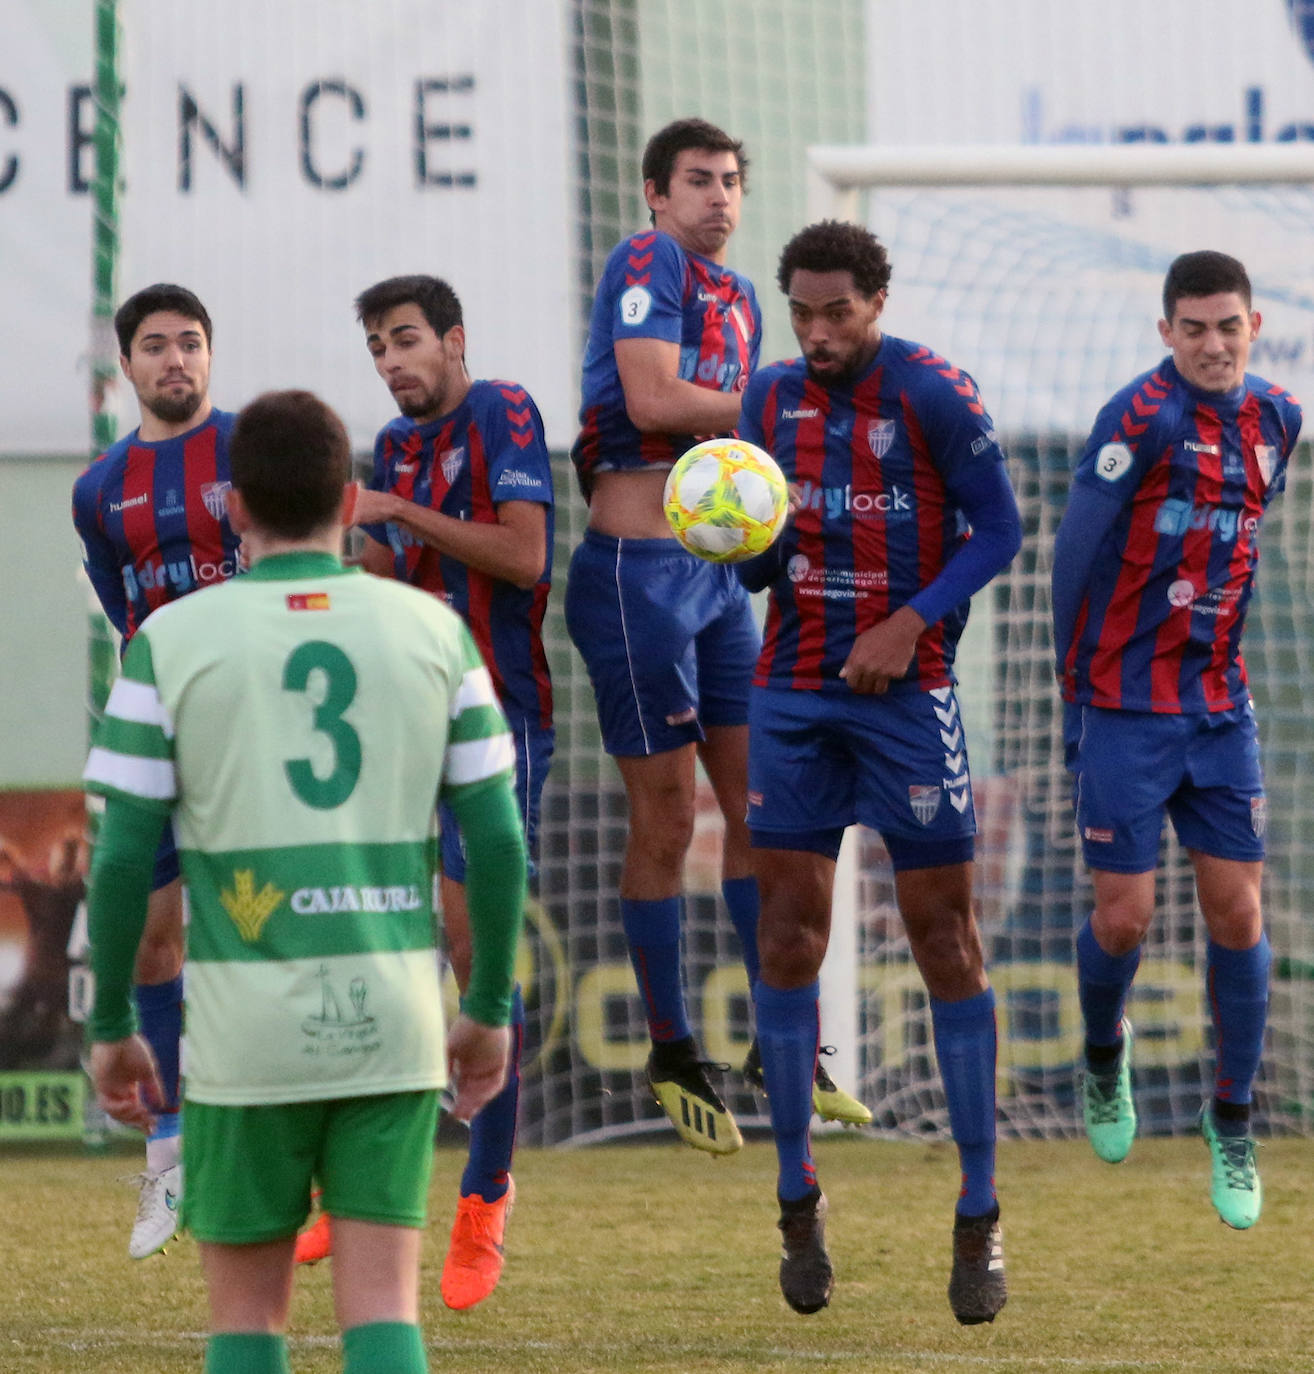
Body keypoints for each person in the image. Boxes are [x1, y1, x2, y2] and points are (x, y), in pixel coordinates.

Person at [83, 388, 527, 1374]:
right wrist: (487, 1004)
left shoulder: (170, 642)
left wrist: (113, 1024)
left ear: (232, 508)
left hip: (246, 1033)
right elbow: (496, 839)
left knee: (246, 1321)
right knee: (383, 1311)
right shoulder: (433, 631)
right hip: (394, 1018)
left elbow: (120, 858)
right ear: (355, 498)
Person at [735, 220, 1021, 1322]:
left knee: (944, 938)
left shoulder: (936, 396)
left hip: (909, 698)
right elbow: (763, 555)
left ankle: (979, 1213)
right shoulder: (766, 402)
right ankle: (797, 1195)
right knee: (789, 935)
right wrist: (737, 542)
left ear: (878, 302)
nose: (816, 332)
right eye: (801, 312)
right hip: (795, 696)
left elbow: (998, 531)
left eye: (837, 312)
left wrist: (909, 623)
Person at [566, 118, 867, 1154]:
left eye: (733, 182)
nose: (720, 199)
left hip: (716, 578)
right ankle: (674, 1045)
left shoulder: (741, 298)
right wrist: (782, 402)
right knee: (663, 820)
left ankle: (782, 1038)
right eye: (699, 181)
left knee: (760, 807)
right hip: (633, 578)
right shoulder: (647, 260)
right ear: (658, 193)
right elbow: (651, 397)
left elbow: (732, 434)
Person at [291, 274, 553, 1312]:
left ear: (453, 338)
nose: (393, 363)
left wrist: (403, 511)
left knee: (469, 953)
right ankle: (357, 1187)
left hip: (498, 719)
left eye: (406, 341)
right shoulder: (391, 451)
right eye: (377, 351)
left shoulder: (504, 413)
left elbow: (526, 560)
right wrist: (317, 551)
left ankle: (486, 1197)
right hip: (399, 723)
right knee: (374, 948)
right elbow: (390, 577)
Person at [1053, 250, 1302, 1232]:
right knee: (1125, 919)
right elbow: (1075, 557)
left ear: (1254, 325)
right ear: (1166, 333)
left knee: (1238, 915)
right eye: (1192, 327)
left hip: (1218, 707)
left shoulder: (1279, 419)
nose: (1211, 342)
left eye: (1227, 325)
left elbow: (1239, 537)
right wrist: (1075, 695)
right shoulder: (1138, 420)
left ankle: (1230, 1118)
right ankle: (1103, 1053)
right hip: (1121, 706)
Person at [71, 282, 241, 1258]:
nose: (175, 360)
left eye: (190, 344)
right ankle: (169, 1162)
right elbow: (122, 605)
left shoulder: (250, 454)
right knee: (148, 943)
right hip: (161, 728)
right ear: (128, 366)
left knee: (268, 928)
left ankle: (281, 1152)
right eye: (156, 347)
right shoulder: (99, 490)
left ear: (209, 357)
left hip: (254, 729)